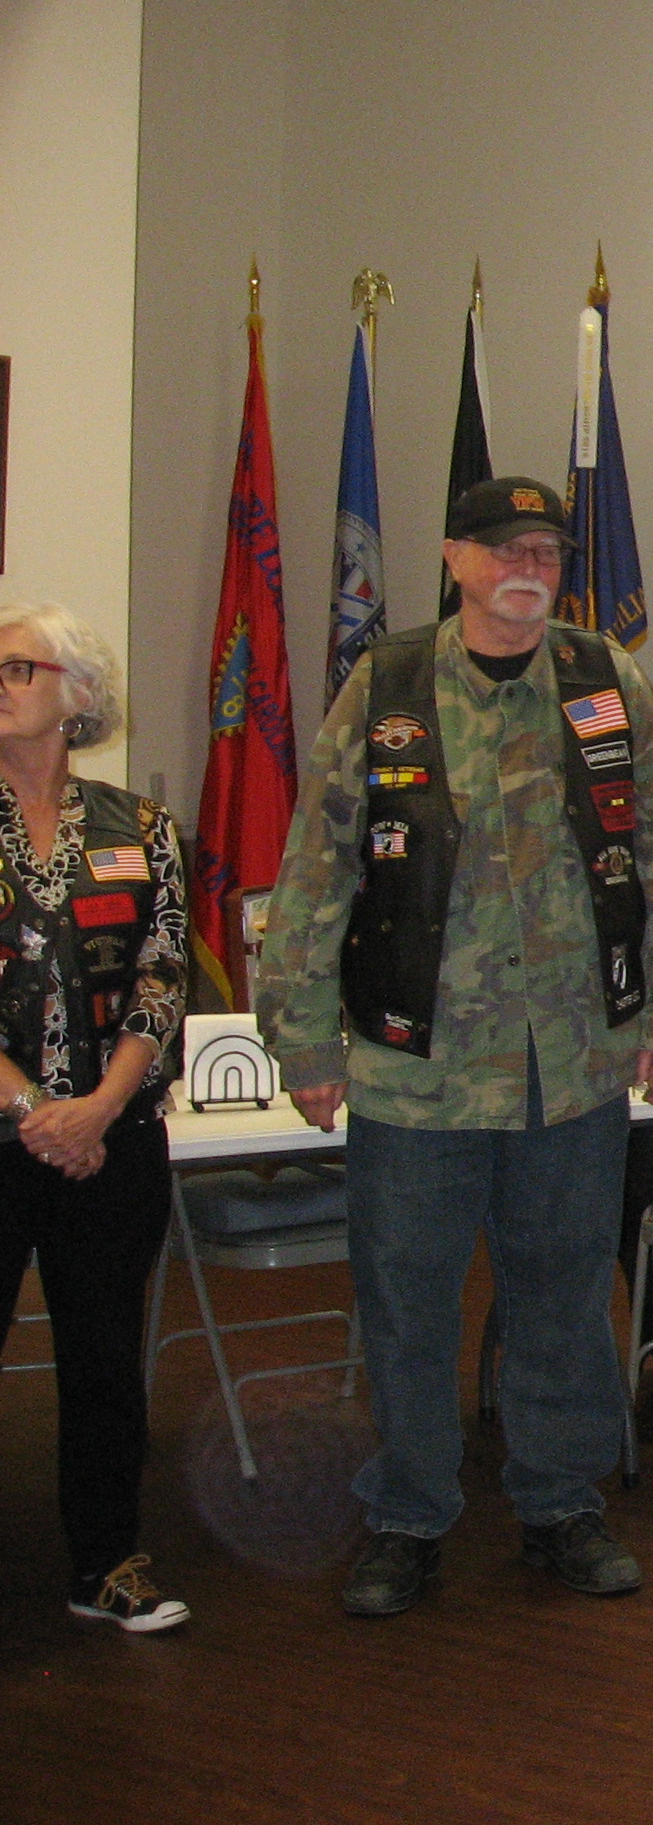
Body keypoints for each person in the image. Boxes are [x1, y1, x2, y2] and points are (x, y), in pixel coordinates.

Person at [258, 478, 653, 1620]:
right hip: (417, 1065)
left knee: (562, 1294)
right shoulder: (389, 683)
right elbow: (319, 866)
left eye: (547, 551)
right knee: (406, 1301)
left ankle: (560, 1504)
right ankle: (408, 1515)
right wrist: (303, 1038)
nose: (528, 568)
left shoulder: (606, 680)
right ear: (456, 556)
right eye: (505, 548)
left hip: (573, 1060)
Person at [0, 605, 191, 1632]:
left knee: (106, 1358)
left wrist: (104, 1107)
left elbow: (163, 977)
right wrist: (38, 1111)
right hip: (9, 1134)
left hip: (112, 1140)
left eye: (16, 667)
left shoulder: (141, 828)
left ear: (77, 693)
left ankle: (107, 1565)